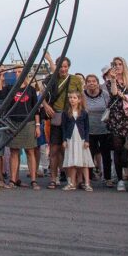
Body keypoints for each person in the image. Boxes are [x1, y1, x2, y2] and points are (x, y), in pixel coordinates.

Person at [41, 56, 83, 189]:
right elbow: (42, 95)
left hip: (71, 116)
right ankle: (54, 178)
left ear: (68, 67)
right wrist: (46, 106)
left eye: (65, 66)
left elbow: (81, 97)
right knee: (54, 149)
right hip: (56, 115)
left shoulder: (75, 79)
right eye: (61, 66)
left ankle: (73, 178)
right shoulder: (50, 79)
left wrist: (82, 114)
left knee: (71, 149)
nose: (63, 69)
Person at [4, 69, 41, 189]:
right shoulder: (11, 88)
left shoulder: (30, 90)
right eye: (17, 72)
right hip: (14, 122)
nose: (19, 73)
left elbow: (35, 109)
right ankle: (13, 179)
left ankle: (33, 180)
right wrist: (1, 81)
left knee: (30, 151)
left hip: (28, 122)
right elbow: (1, 97)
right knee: (14, 151)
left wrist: (37, 125)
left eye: (21, 71)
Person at [61, 90, 95, 191]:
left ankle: (87, 183)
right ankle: (71, 183)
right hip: (70, 139)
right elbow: (64, 127)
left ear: (79, 100)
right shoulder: (66, 112)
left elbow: (87, 127)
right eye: (70, 98)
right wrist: (64, 140)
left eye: (74, 98)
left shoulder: (84, 113)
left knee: (84, 162)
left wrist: (87, 140)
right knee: (72, 162)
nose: (72, 100)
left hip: (81, 139)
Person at [83, 74, 111, 183]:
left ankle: (108, 178)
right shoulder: (83, 95)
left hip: (104, 129)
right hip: (89, 130)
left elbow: (110, 108)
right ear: (86, 84)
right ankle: (88, 178)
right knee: (89, 155)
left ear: (98, 83)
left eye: (94, 81)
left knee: (106, 155)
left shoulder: (105, 95)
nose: (91, 83)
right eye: (89, 81)